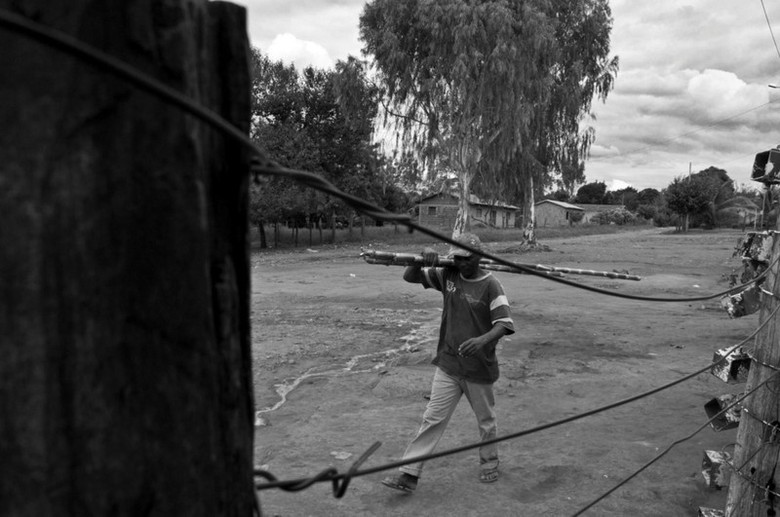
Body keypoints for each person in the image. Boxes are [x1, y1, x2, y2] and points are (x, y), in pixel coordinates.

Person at [381, 232, 515, 493]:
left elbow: (504, 324)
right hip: (449, 364)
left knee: (486, 420)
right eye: (456, 258)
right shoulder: (448, 275)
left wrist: (482, 340)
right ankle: (409, 474)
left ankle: (489, 463)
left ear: (478, 258)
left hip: (478, 368)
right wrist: (421, 259)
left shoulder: (491, 285)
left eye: (466, 259)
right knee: (432, 418)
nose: (460, 263)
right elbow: (410, 277)